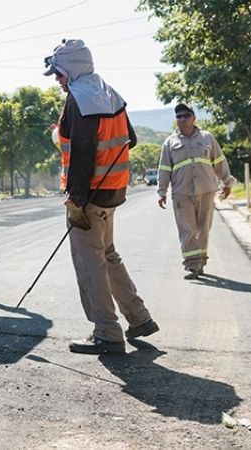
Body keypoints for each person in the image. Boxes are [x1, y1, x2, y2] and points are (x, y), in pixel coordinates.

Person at [44, 39, 159, 354]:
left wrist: (76, 201)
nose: (58, 80)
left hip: (89, 195)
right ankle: (139, 317)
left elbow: (81, 153)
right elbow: (130, 139)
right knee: (107, 255)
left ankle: (107, 333)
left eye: (59, 73)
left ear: (71, 69)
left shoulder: (78, 101)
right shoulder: (110, 93)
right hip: (113, 191)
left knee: (90, 262)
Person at [157, 103, 236, 280]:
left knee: (203, 229)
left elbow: (219, 162)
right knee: (187, 230)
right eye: (179, 116)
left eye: (186, 115)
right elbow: (164, 168)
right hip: (181, 193)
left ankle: (201, 261)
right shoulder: (170, 143)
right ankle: (192, 265)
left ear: (193, 118)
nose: (182, 119)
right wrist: (161, 191)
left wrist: (227, 183)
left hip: (206, 191)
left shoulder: (207, 138)